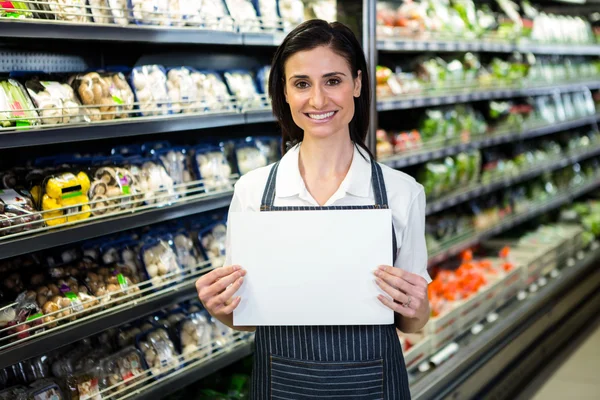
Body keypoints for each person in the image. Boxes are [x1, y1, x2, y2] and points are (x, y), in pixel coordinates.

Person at [195, 19, 431, 399]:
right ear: (285, 93)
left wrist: (418, 304)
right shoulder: (253, 192)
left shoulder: (402, 193)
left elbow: (412, 321)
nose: (318, 100)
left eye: (333, 81)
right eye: (301, 83)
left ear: (357, 83)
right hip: (281, 386)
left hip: (374, 386)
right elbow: (246, 318)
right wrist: (218, 306)